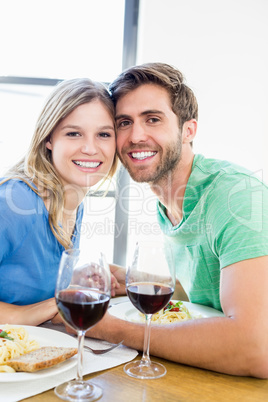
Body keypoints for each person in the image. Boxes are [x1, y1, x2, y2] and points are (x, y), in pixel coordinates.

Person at [83, 63, 268, 378]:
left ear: (188, 130)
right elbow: (204, 294)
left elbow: (257, 348)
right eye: (124, 122)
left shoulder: (235, 195)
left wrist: (112, 329)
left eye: (152, 119)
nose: (135, 135)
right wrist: (131, 280)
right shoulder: (168, 198)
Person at [0, 78, 118, 326]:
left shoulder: (75, 201)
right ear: (49, 139)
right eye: (73, 133)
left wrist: (72, 278)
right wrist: (26, 314)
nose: (90, 148)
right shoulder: (15, 203)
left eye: (103, 134)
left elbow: (22, 274)